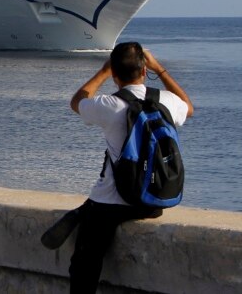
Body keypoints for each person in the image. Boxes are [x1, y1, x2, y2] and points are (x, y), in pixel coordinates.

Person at [49, 42, 193, 293]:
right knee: (95, 209)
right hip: (152, 202)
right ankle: (82, 212)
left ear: (115, 73)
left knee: (84, 266)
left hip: (112, 205)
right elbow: (188, 108)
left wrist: (104, 72)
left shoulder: (110, 105)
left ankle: (81, 215)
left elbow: (77, 101)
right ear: (144, 69)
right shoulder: (165, 101)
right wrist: (159, 68)